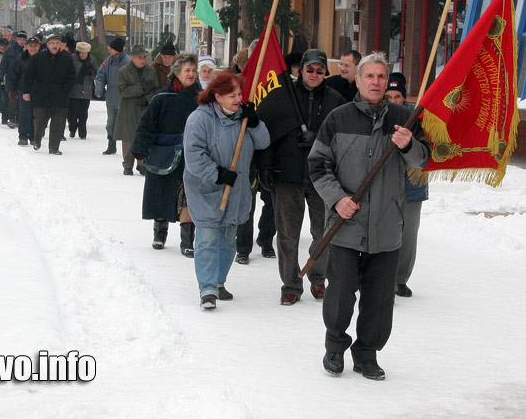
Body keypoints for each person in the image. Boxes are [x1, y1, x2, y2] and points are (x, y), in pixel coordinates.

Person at [308, 52, 431, 380]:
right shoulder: (338, 118)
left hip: (387, 226)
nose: (376, 82)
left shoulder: (404, 118)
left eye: (381, 77)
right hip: (346, 224)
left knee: (379, 299)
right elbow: (318, 164)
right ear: (359, 80)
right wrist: (337, 199)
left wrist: (408, 145)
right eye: (369, 76)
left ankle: (367, 353)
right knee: (340, 292)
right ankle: (335, 348)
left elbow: (422, 161)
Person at [255, 49, 344, 305]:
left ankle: (318, 277)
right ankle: (290, 284)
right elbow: (265, 133)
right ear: (300, 69)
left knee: (323, 232)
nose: (314, 74)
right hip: (286, 175)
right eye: (310, 69)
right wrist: (264, 166)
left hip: (322, 177)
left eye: (320, 70)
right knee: (287, 235)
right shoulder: (282, 96)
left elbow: (343, 138)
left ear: (325, 73)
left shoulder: (335, 100)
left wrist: (319, 139)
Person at [183, 73, 270, 309]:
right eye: (232, 95)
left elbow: (264, 142)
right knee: (208, 239)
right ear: (217, 96)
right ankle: (207, 289)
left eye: (239, 94)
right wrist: (218, 174)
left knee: (228, 241)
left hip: (237, 190)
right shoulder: (200, 119)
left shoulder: (243, 117)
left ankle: (219, 282)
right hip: (207, 190)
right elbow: (194, 156)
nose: (238, 99)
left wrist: (255, 123)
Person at [132, 53, 200, 255]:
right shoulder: (162, 97)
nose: (191, 74)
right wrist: (140, 148)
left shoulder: (203, 99)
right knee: (160, 194)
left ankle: (187, 241)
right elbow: (146, 124)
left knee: (189, 197)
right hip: (163, 154)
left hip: (192, 157)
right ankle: (159, 234)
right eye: (187, 70)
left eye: (194, 70)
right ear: (177, 72)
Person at [384, 72, 429, 298]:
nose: (394, 101)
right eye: (389, 96)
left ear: (404, 97)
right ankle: (383, 280)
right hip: (385, 186)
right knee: (385, 235)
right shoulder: (379, 115)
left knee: (408, 236)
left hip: (412, 186)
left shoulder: (418, 116)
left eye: (398, 96)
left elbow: (426, 150)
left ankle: (401, 279)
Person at [22, 33, 76, 155]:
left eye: (57, 43)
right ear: (47, 45)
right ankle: (36, 140)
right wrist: (26, 91)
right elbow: (29, 76)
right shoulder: (38, 57)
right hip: (41, 95)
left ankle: (54, 147)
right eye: (52, 43)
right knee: (40, 121)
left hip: (59, 96)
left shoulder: (66, 59)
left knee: (57, 123)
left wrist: (65, 90)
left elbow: (71, 77)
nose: (54, 46)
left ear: (60, 45)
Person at [115, 45, 159, 176]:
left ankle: (142, 163)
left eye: (144, 57)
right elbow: (122, 91)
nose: (142, 60)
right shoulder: (123, 71)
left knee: (143, 136)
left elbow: (155, 89)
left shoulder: (151, 71)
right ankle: (127, 164)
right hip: (129, 108)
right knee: (128, 138)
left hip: (145, 108)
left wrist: (146, 98)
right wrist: (140, 88)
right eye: (140, 57)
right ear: (133, 58)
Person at [94, 37, 130, 155]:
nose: (109, 51)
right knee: (110, 124)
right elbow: (100, 76)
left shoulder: (128, 62)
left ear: (117, 50)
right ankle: (111, 145)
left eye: (111, 49)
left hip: (125, 100)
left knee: (126, 125)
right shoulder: (108, 61)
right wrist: (99, 89)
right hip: (111, 99)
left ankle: (128, 149)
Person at [9, 37, 40, 146]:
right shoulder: (20, 59)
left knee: (36, 115)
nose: (33, 48)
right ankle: (23, 136)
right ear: (26, 46)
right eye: (31, 46)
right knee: (24, 114)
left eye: (35, 46)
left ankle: (33, 136)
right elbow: (13, 76)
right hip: (24, 91)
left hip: (39, 92)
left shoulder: (42, 59)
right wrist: (12, 90)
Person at [68, 41, 98, 139]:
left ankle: (82, 132)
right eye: (81, 53)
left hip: (87, 90)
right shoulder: (72, 59)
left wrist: (90, 73)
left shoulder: (92, 60)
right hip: (74, 90)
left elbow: (96, 73)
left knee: (83, 114)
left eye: (85, 53)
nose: (83, 55)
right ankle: (72, 129)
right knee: (73, 113)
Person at [0, 31, 27, 128]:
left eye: (24, 40)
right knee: (11, 98)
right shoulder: (10, 50)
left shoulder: (27, 51)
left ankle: (19, 118)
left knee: (21, 99)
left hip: (23, 78)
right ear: (16, 39)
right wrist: (0, 75)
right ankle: (12, 118)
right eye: (20, 39)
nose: (22, 41)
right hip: (11, 78)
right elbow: (4, 63)